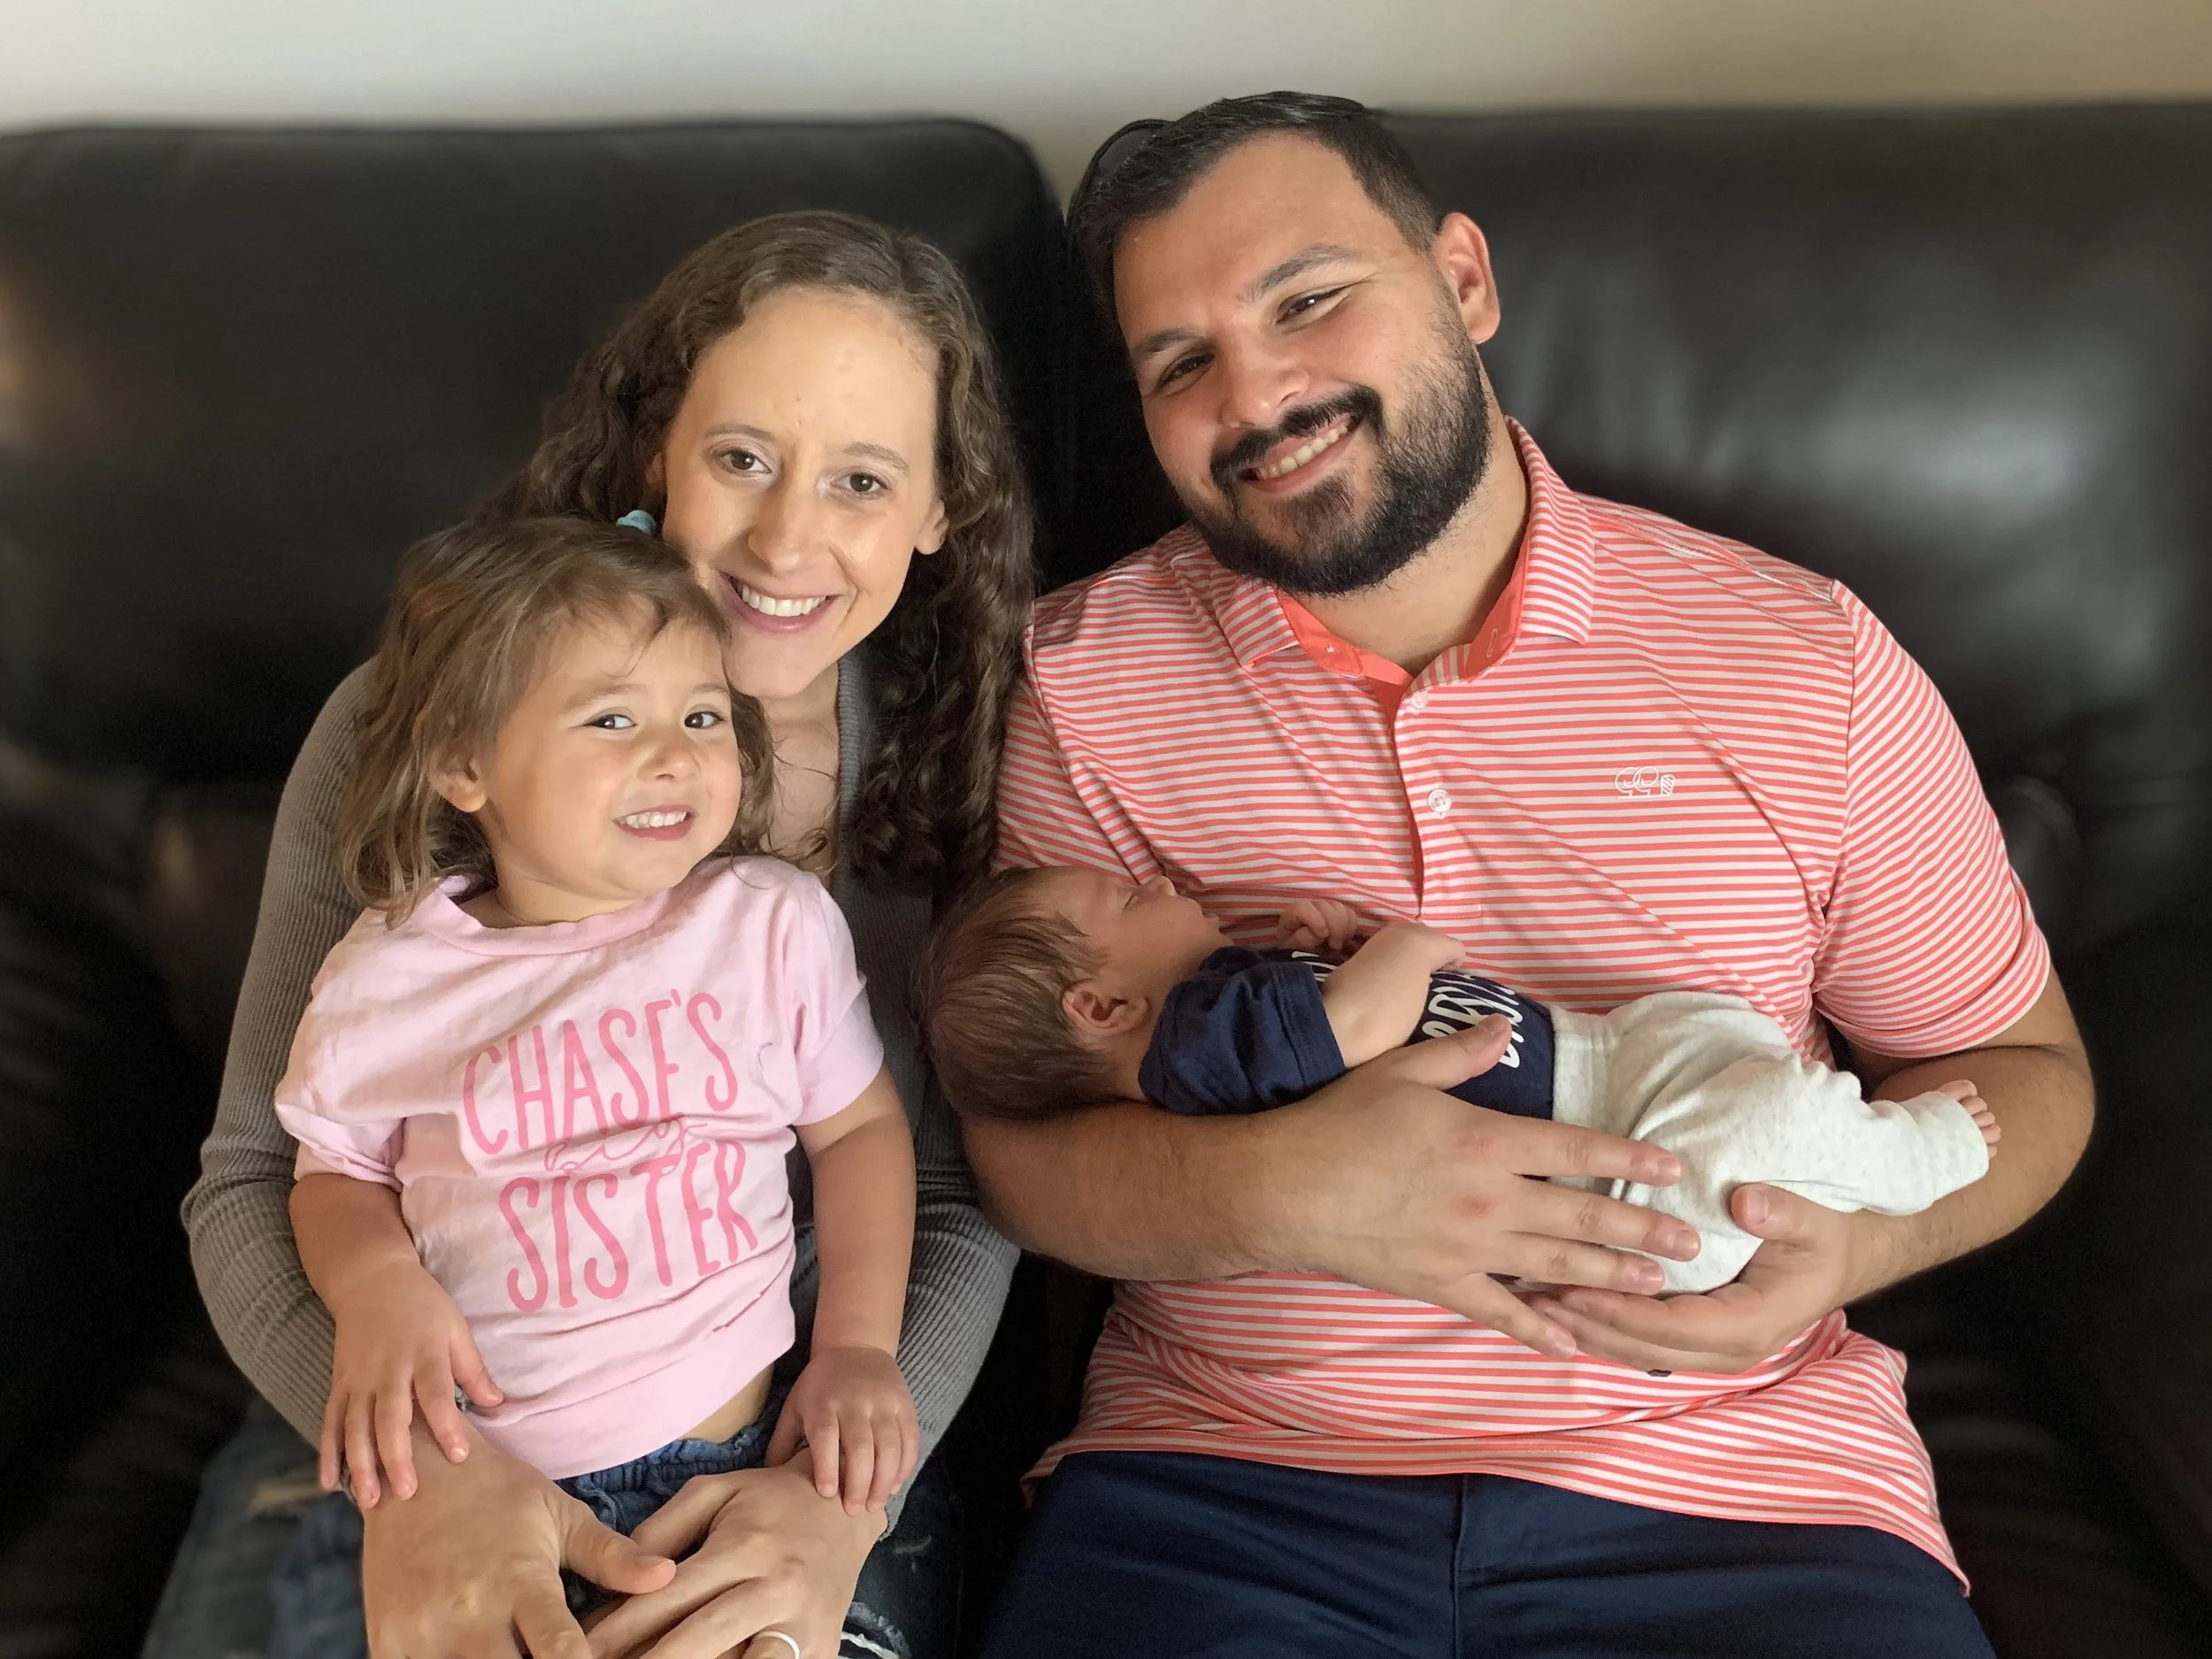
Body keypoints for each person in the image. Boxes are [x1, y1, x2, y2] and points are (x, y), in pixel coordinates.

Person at [962, 94, 2092, 1656]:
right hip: (1231, 1488)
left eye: (1307, 298)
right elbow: (1021, 1141)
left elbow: (2028, 1074)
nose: (1261, 392)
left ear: (1465, 280)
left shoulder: (1801, 661)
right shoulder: (1086, 684)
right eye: (1181, 363)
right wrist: (1288, 1191)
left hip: (1744, 1498)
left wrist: (1868, 1240)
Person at [148, 210, 1032, 1659]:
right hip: (404, 1408)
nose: (789, 537)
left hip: (777, 1434)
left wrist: (835, 1498)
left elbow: (945, 1187)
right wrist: (429, 1479)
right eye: (743, 456)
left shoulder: (969, 749)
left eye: (864, 479)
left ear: (945, 506)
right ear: (655, 453)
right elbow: (262, 1173)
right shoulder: (430, 718)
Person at [263, 517, 921, 1656]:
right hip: (476, 1487)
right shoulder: (389, 977)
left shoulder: (764, 924)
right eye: (612, 717)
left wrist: (857, 1348)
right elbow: (332, 1175)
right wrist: (375, 1285)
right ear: (465, 764)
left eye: (702, 715)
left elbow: (860, 1132)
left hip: (732, 1469)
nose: (675, 753)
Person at [918, 864, 2001, 1294]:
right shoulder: (1194, 1046)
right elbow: (1357, 1020)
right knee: (1761, 1120)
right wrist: (1408, 945)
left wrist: (1341, 941)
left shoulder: (1218, 1006)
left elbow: (1335, 1017)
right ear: (1100, 1009)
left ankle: (1850, 1158)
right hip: (1618, 1185)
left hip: (1601, 1071)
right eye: (1121, 898)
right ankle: (1910, 1156)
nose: (1149, 879)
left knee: (1713, 1038)